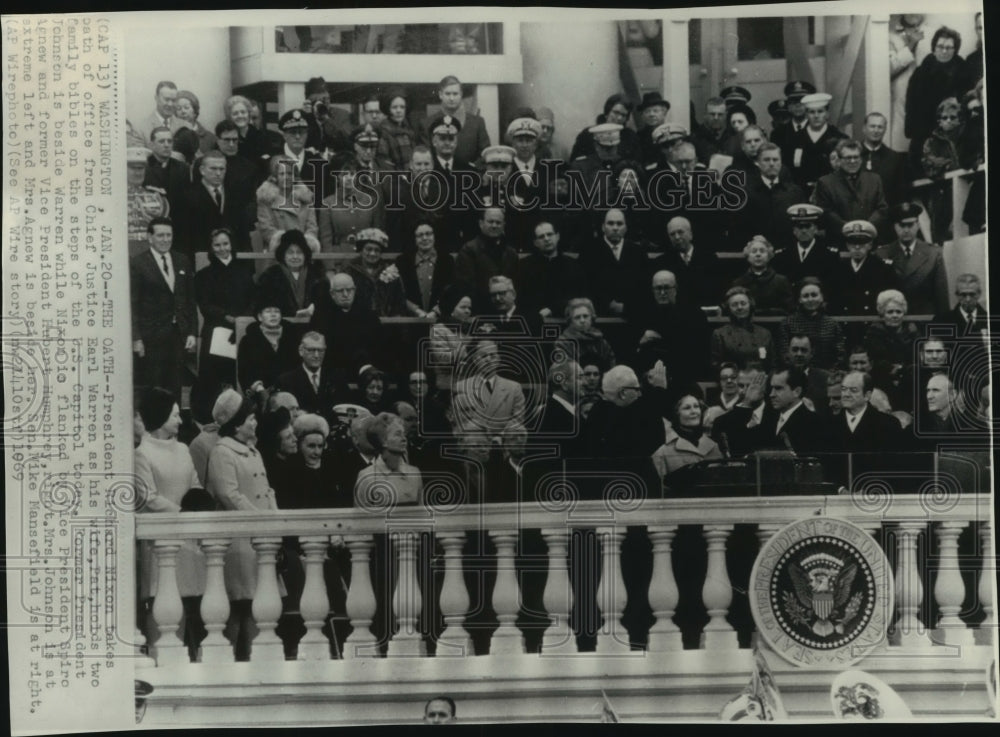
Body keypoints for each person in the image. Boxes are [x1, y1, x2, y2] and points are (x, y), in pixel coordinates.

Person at [206, 391, 278, 660]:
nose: (254, 423)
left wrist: (273, 519)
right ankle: (231, 662)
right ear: (236, 423)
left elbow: (266, 489)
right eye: (249, 419)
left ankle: (252, 661)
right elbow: (229, 494)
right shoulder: (223, 452)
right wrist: (258, 518)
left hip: (258, 538)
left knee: (256, 605)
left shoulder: (253, 451)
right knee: (237, 604)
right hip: (238, 541)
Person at [134, 387, 206, 658]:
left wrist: (196, 511)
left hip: (188, 539)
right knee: (162, 600)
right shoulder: (143, 454)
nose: (179, 420)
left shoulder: (185, 449)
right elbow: (148, 498)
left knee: (187, 601)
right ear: (161, 417)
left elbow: (195, 485)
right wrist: (181, 514)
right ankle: (160, 659)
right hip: (161, 541)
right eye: (175, 415)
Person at [191, 228, 255, 423]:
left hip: (241, 329)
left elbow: (253, 299)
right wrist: (227, 317)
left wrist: (243, 319)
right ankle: (211, 418)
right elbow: (205, 305)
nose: (222, 249)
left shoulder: (244, 272)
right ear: (211, 248)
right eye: (217, 245)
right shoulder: (204, 275)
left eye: (225, 244)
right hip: (217, 330)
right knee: (214, 377)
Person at [131, 218, 197, 400]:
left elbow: (190, 300)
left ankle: (173, 424)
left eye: (169, 235)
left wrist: (191, 332)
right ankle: (155, 426)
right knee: (154, 385)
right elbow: (133, 304)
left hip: (178, 335)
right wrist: (136, 338)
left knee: (175, 383)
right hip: (151, 337)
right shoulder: (138, 263)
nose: (165, 239)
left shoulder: (182, 260)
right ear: (150, 237)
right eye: (160, 235)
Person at [629, 270, 710, 389]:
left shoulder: (694, 315)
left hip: (684, 376)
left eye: (666, 288)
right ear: (652, 291)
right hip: (649, 378)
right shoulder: (641, 316)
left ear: (675, 289)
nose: (662, 292)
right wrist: (641, 342)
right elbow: (633, 352)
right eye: (658, 288)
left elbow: (699, 352)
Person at [904, 26, 972, 168]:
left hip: (953, 136)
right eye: (940, 46)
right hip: (923, 135)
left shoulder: (964, 72)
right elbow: (911, 107)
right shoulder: (921, 72)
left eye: (949, 48)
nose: (944, 51)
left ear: (955, 50)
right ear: (933, 48)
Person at [450, 340, 526, 461]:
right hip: (474, 451)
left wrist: (499, 438)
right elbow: (460, 424)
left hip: (504, 450)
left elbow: (517, 421)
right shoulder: (461, 387)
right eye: (484, 356)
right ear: (475, 360)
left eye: (493, 355)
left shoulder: (514, 388)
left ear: (499, 359)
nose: (489, 359)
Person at [727, 142, 806, 251]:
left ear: (781, 162)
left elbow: (801, 226)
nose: (772, 164)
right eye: (766, 160)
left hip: (788, 253)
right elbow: (737, 228)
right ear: (758, 163)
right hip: (757, 253)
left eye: (775, 160)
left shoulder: (795, 192)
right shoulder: (744, 193)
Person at [875, 202, 949, 315]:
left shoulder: (933, 254)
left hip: (924, 321)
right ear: (894, 226)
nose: (906, 230)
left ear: (918, 225)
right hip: (894, 321)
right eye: (901, 225)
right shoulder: (882, 254)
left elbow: (941, 297)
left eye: (910, 225)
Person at [309, 272, 384, 383]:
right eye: (340, 291)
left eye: (349, 290)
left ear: (354, 290)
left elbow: (378, 346)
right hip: (334, 372)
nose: (345, 294)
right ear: (332, 294)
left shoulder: (368, 314)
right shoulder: (321, 316)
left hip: (364, 372)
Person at [811, 139, 889, 245]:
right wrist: (848, 228)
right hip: (839, 241)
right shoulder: (826, 182)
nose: (852, 161)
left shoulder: (874, 180)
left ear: (861, 159)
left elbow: (882, 208)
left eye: (856, 157)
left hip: (869, 241)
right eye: (848, 158)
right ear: (839, 160)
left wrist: (866, 227)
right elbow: (826, 212)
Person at [176, 150, 252, 253]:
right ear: (202, 170)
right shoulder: (187, 197)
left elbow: (244, 234)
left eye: (222, 169)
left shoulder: (236, 195)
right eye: (213, 169)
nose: (218, 173)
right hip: (201, 258)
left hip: (233, 260)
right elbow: (183, 238)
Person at [578, 208, 649, 317]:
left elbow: (644, 286)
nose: (615, 228)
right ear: (603, 227)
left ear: (625, 228)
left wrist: (628, 307)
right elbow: (584, 286)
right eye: (610, 223)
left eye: (619, 224)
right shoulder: (589, 252)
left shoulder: (638, 252)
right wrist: (607, 304)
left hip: (632, 315)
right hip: (599, 315)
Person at [516, 220, 589, 322]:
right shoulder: (524, 266)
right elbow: (522, 298)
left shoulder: (573, 266)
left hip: (567, 322)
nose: (546, 239)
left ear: (557, 236)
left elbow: (578, 296)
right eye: (541, 237)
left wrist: (553, 309)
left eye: (549, 234)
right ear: (536, 243)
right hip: (533, 322)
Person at [454, 207, 519, 313]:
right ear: (481, 223)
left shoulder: (511, 253)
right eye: (490, 221)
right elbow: (466, 287)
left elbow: (516, 285)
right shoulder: (468, 250)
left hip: (507, 313)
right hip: (480, 311)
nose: (494, 225)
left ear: (503, 225)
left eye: (498, 222)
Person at [862, 289, 921, 405]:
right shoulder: (874, 333)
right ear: (882, 314)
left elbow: (916, 358)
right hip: (882, 381)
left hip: (910, 382)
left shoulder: (913, 332)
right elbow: (878, 361)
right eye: (890, 312)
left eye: (898, 312)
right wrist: (899, 369)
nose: (895, 315)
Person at [236, 294, 303, 393]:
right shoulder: (248, 341)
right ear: (260, 317)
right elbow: (245, 372)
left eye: (277, 311)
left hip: (291, 391)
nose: (273, 315)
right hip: (262, 393)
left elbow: (300, 367)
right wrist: (259, 388)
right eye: (268, 311)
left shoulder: (293, 338)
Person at [317, 157, 387, 252]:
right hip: (339, 260)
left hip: (365, 259)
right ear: (337, 177)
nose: (349, 178)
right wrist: (330, 266)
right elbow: (326, 240)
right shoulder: (328, 203)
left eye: (352, 174)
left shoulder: (371, 202)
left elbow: (378, 236)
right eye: (344, 174)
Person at [832, 220, 898, 317]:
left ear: (870, 245)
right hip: (845, 323)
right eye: (853, 243)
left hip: (872, 324)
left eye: (862, 243)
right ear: (847, 245)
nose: (857, 247)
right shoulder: (838, 269)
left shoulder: (882, 269)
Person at [255, 229, 327, 318]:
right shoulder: (270, 276)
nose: (295, 256)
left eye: (299, 252)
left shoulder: (317, 274)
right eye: (290, 252)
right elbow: (262, 305)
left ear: (305, 254)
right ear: (283, 254)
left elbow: (326, 301)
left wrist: (315, 307)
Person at [256, 155, 320, 253]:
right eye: (282, 174)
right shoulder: (266, 199)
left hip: (303, 251)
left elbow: (312, 227)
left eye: (290, 173)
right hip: (277, 253)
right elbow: (266, 229)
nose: (286, 177)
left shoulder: (306, 198)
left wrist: (305, 243)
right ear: (275, 177)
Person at [777, 277, 844, 370]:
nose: (810, 299)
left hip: (826, 375)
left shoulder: (832, 324)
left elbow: (840, 354)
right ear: (800, 299)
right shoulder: (787, 323)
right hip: (795, 374)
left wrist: (829, 374)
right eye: (806, 296)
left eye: (814, 295)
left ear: (821, 297)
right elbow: (784, 353)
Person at [396, 219, 458, 318]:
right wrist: (416, 311)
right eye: (420, 235)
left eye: (428, 234)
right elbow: (398, 293)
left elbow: (452, 290)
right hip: (411, 320)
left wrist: (436, 311)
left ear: (434, 236)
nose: (424, 238)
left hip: (440, 320)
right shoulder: (403, 261)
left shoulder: (447, 260)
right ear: (414, 239)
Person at [756, 366, 825, 454]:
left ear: (797, 391)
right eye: (771, 388)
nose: (771, 394)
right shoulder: (768, 419)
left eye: (778, 388)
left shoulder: (814, 423)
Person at [339, 227, 407, 317]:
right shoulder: (349, 271)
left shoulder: (391, 272)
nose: (372, 253)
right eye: (368, 249)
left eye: (377, 250)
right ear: (361, 250)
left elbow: (399, 302)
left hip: (384, 324)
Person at [652, 394, 723, 480]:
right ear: (676, 413)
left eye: (696, 406)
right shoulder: (663, 452)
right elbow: (659, 489)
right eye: (687, 408)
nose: (694, 411)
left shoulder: (714, 447)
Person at [275, 331, 341, 421]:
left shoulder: (336, 377)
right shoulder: (286, 381)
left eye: (321, 350)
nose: (317, 355)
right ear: (301, 351)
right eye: (311, 350)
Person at [426, 75, 490, 165]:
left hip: (469, 176)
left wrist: (471, 169)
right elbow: (425, 158)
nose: (451, 98)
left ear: (461, 95)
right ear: (440, 95)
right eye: (447, 94)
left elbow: (485, 155)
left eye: (455, 94)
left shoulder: (477, 123)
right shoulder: (428, 123)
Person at [770, 203, 840, 285]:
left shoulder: (829, 255)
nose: (804, 231)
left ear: (815, 229)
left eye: (807, 226)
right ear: (794, 230)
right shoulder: (782, 255)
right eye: (800, 227)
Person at [788, 92, 846, 190]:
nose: (816, 116)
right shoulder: (794, 139)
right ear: (806, 114)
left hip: (831, 192)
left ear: (827, 114)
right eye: (812, 112)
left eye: (820, 111)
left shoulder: (839, 138)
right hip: (802, 193)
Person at [711, 287, 774, 371]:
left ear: (750, 305)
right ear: (729, 309)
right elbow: (716, 365)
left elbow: (773, 363)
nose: (739, 307)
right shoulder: (720, 334)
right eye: (734, 305)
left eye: (743, 303)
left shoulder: (765, 333)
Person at [429, 285, 475, 394]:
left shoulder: (469, 329)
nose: (467, 311)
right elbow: (442, 358)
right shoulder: (439, 329)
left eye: (469, 308)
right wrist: (468, 348)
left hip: (470, 386)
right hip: (448, 387)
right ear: (451, 307)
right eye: (463, 307)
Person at [127, 146, 171, 258]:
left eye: (141, 168)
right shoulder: (114, 198)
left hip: (149, 254)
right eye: (133, 168)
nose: (138, 173)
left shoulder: (156, 196)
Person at [860, 112, 909, 210]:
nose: (876, 130)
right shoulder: (853, 156)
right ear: (864, 128)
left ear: (885, 130)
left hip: (886, 215)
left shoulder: (895, 158)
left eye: (880, 127)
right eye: (872, 126)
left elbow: (901, 193)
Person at [732, 236, 793, 315]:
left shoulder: (781, 281)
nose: (758, 254)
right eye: (754, 251)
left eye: (762, 251)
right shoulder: (738, 283)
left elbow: (789, 309)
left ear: (769, 255)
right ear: (748, 256)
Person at [554, 298, 616, 373]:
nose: (582, 320)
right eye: (577, 317)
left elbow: (611, 367)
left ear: (592, 318)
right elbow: (566, 370)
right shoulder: (563, 343)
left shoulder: (601, 342)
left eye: (585, 316)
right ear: (570, 321)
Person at [143, 126, 191, 216]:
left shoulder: (183, 168)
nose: (166, 145)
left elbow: (186, 201)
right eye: (161, 141)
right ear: (151, 145)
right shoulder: (144, 168)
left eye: (169, 141)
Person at [377, 87, 420, 169]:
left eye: (402, 107)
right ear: (388, 109)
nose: (398, 111)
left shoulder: (410, 131)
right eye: (394, 107)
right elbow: (385, 163)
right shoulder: (384, 132)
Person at [172, 89, 217, 162]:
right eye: (179, 108)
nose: (183, 111)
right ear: (175, 114)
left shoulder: (210, 138)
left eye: (186, 107)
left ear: (195, 111)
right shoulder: (170, 137)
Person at [137, 80, 183, 147]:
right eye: (166, 99)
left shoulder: (185, 126)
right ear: (156, 98)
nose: (170, 104)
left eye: (173, 100)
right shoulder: (141, 129)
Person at [224, 94, 268, 164]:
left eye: (243, 112)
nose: (240, 116)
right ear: (230, 117)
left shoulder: (262, 137)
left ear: (249, 114)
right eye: (235, 113)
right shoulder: (225, 137)